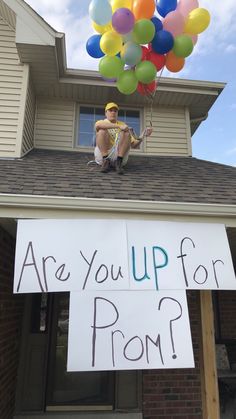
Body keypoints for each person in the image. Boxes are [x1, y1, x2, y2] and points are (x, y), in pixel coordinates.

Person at [94, 102, 153, 174]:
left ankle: (118, 162)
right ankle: (106, 161)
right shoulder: (101, 122)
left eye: (115, 111)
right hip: (103, 155)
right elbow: (98, 126)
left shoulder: (123, 125)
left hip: (118, 155)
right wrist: (118, 126)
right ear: (106, 113)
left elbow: (134, 145)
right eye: (110, 110)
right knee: (101, 131)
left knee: (126, 133)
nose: (113, 112)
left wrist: (143, 135)